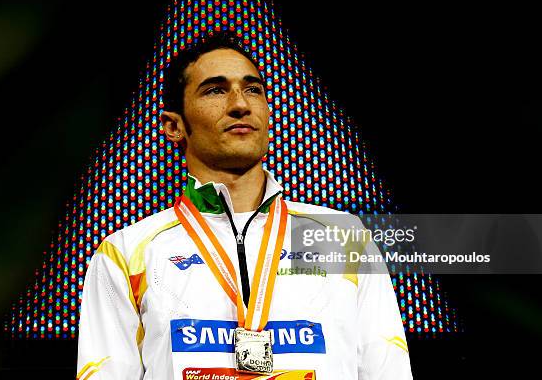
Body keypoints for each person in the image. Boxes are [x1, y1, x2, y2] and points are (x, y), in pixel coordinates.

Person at [76, 31, 413, 379]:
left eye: (252, 89)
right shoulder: (126, 253)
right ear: (174, 126)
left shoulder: (344, 238)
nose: (240, 104)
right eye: (216, 90)